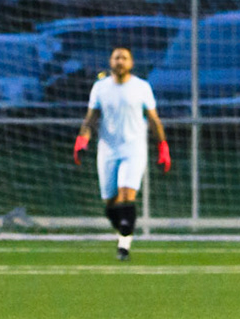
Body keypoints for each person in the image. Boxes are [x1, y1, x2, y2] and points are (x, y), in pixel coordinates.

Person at [73, 45, 170, 259]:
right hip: (107, 149)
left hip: (134, 149)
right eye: (116, 57)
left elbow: (153, 119)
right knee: (111, 203)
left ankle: (124, 244)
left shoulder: (142, 87)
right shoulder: (100, 87)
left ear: (131, 63)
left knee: (127, 194)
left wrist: (163, 146)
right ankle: (124, 230)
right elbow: (91, 118)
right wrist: (82, 140)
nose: (120, 61)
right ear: (111, 62)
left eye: (124, 58)